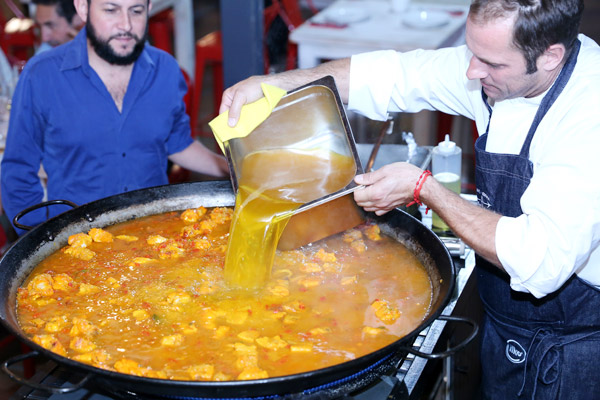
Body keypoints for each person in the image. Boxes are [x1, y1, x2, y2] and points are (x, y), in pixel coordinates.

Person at [219, 0, 600, 398]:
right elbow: (394, 74)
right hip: (508, 325)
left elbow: (538, 259)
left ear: (550, 56)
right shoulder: (502, 67)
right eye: (471, 52)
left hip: (568, 346)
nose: (471, 71)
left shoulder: (589, 116)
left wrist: (425, 188)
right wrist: (276, 85)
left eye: (491, 63)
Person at [1, 0, 229, 234]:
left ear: (149, 8)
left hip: (155, 234)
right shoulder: (42, 75)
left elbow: (178, 144)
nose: (126, 25)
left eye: (136, 11)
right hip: (77, 239)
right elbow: (18, 171)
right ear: (83, 8)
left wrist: (232, 168)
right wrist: (40, 239)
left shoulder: (165, 69)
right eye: (111, 10)